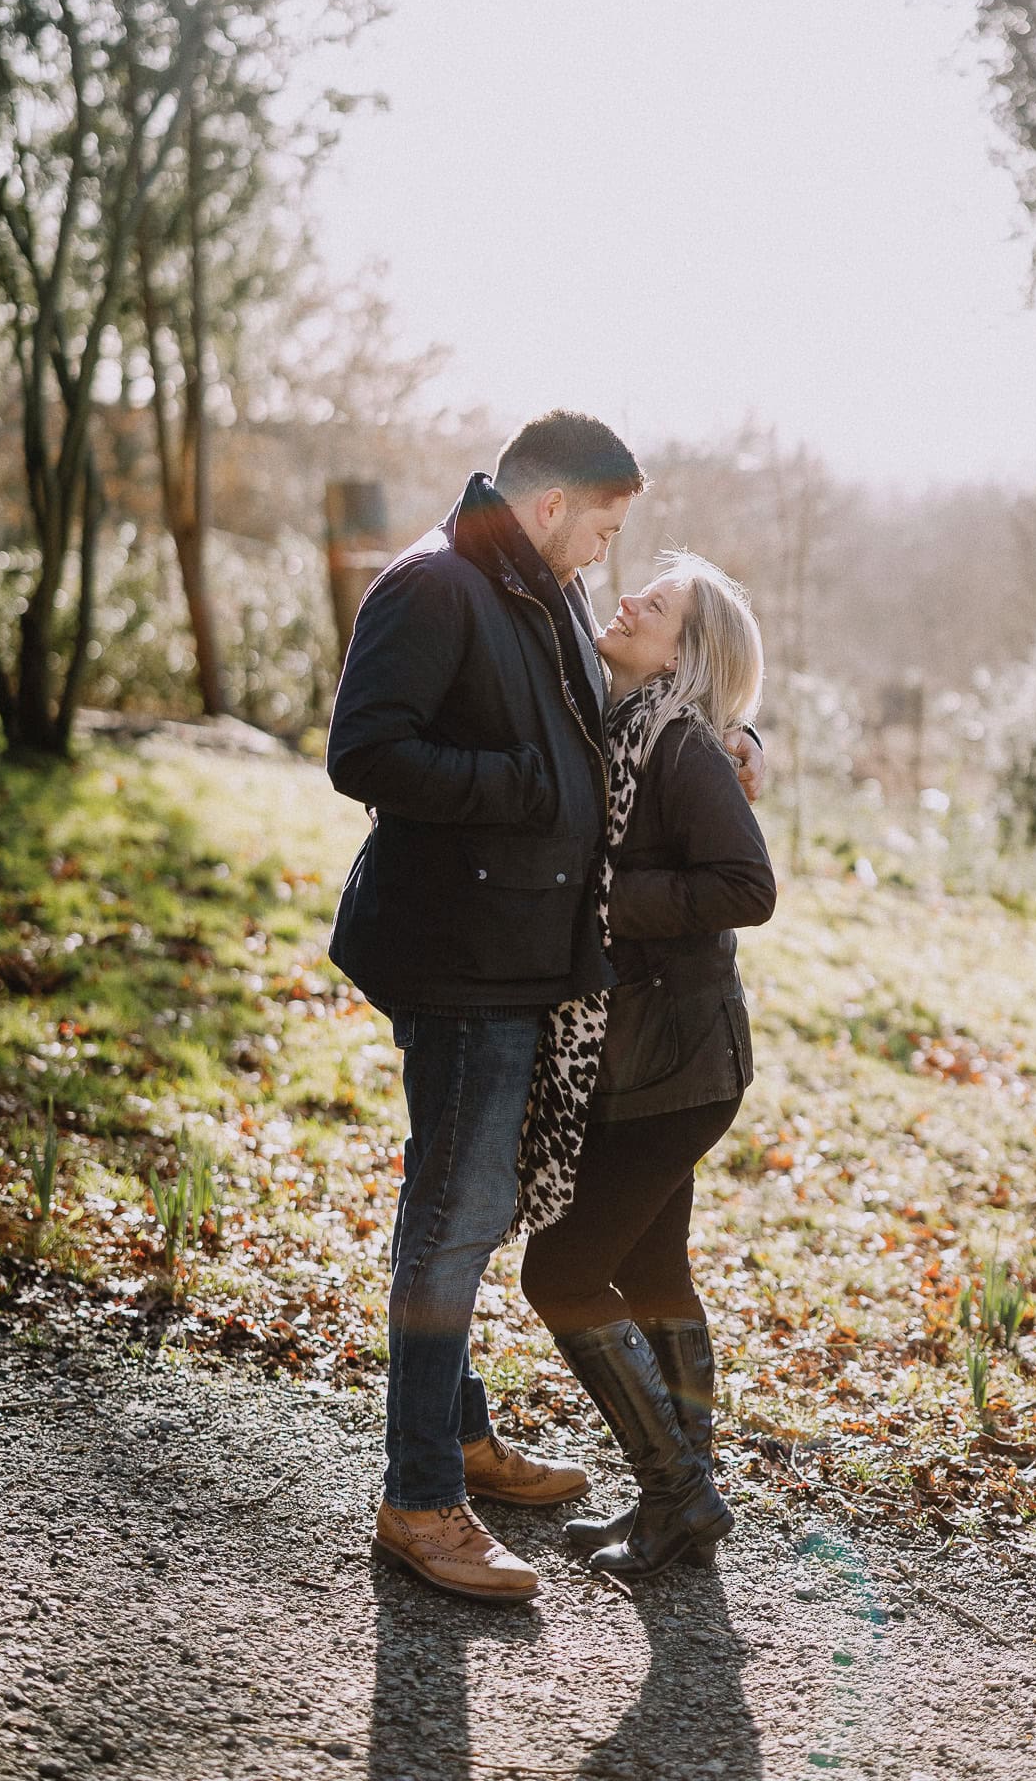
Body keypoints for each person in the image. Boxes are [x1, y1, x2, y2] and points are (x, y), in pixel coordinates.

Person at [326, 411, 764, 1606]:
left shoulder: (541, 589)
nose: (607, 567)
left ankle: (486, 1445)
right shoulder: (434, 585)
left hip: (561, 988)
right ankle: (426, 1495)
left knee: (469, 1217)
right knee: (458, 1221)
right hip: (463, 962)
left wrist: (732, 737)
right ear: (557, 504)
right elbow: (365, 751)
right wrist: (522, 792)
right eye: (605, 532)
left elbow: (650, 736)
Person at [520, 554, 775, 1581]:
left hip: (679, 1061)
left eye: (655, 604)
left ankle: (679, 1487)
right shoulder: (632, 730)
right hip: (656, 1059)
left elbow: (746, 883)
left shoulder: (676, 746)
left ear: (685, 651)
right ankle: (680, 1500)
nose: (627, 601)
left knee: (564, 1271)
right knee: (655, 1271)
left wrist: (614, 903)